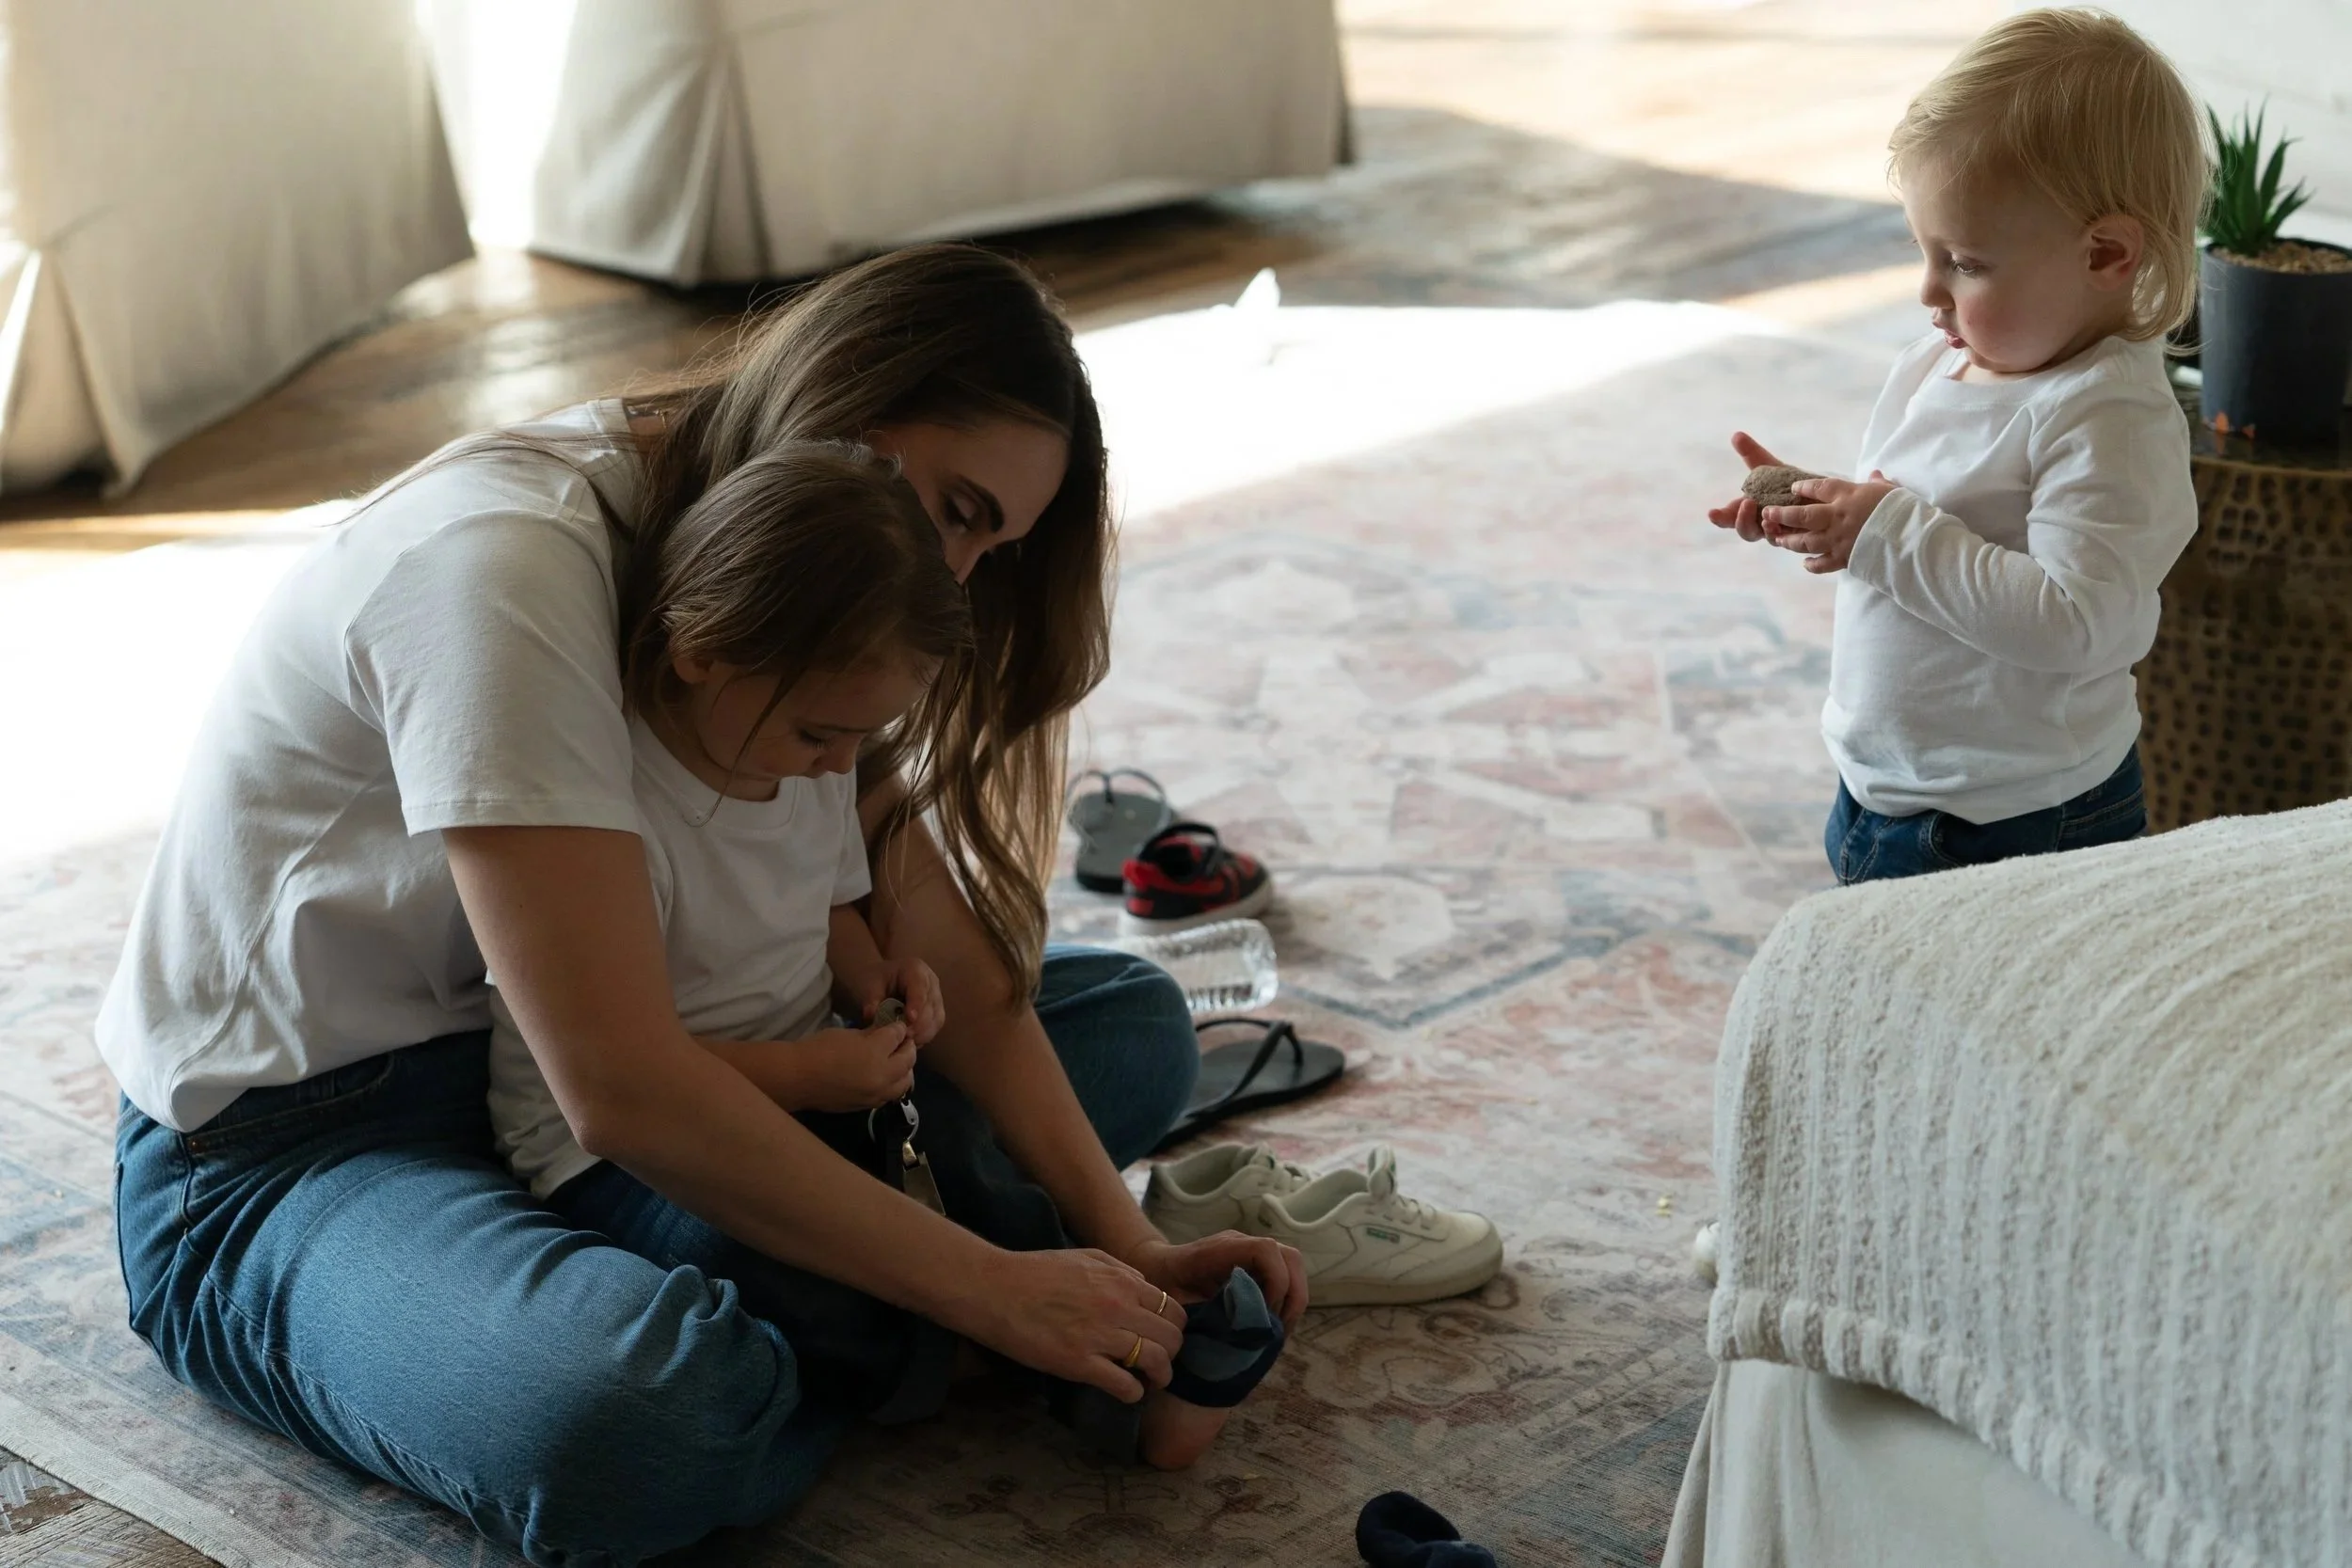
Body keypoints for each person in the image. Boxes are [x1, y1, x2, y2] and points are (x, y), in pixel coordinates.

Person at [103, 245, 1306, 1567]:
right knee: (640, 1417)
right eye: (959, 511)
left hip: (637, 1060)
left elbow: (920, 922)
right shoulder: (511, 568)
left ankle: (816, 1292)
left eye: (990, 545)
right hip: (304, 1143)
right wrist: (999, 1290)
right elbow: (619, 1090)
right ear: (845, 408)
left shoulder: (813, 567)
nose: (954, 577)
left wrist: (1122, 1230)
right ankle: (869, 1321)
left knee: (1128, 1021)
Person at [487, 441, 1264, 1467]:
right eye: (822, 731)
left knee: (962, 1128)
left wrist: (874, 979)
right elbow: (620, 1074)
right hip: (626, 1155)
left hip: (807, 1076)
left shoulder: (804, 764)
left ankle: (1108, 1293)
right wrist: (808, 1071)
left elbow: (826, 902)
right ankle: (1055, 1372)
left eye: (864, 734)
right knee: (772, 1268)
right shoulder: (608, 807)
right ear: (699, 648)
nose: (845, 763)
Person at [1706, 9, 2204, 885]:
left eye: (1966, 262)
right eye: (1923, 250)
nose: (1928, 290)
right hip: (1884, 785)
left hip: (2018, 818)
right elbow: (1918, 515)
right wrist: (1828, 514)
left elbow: (2079, 621)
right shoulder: (1937, 364)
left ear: (2106, 254)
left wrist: (1885, 533)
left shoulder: (2107, 420)